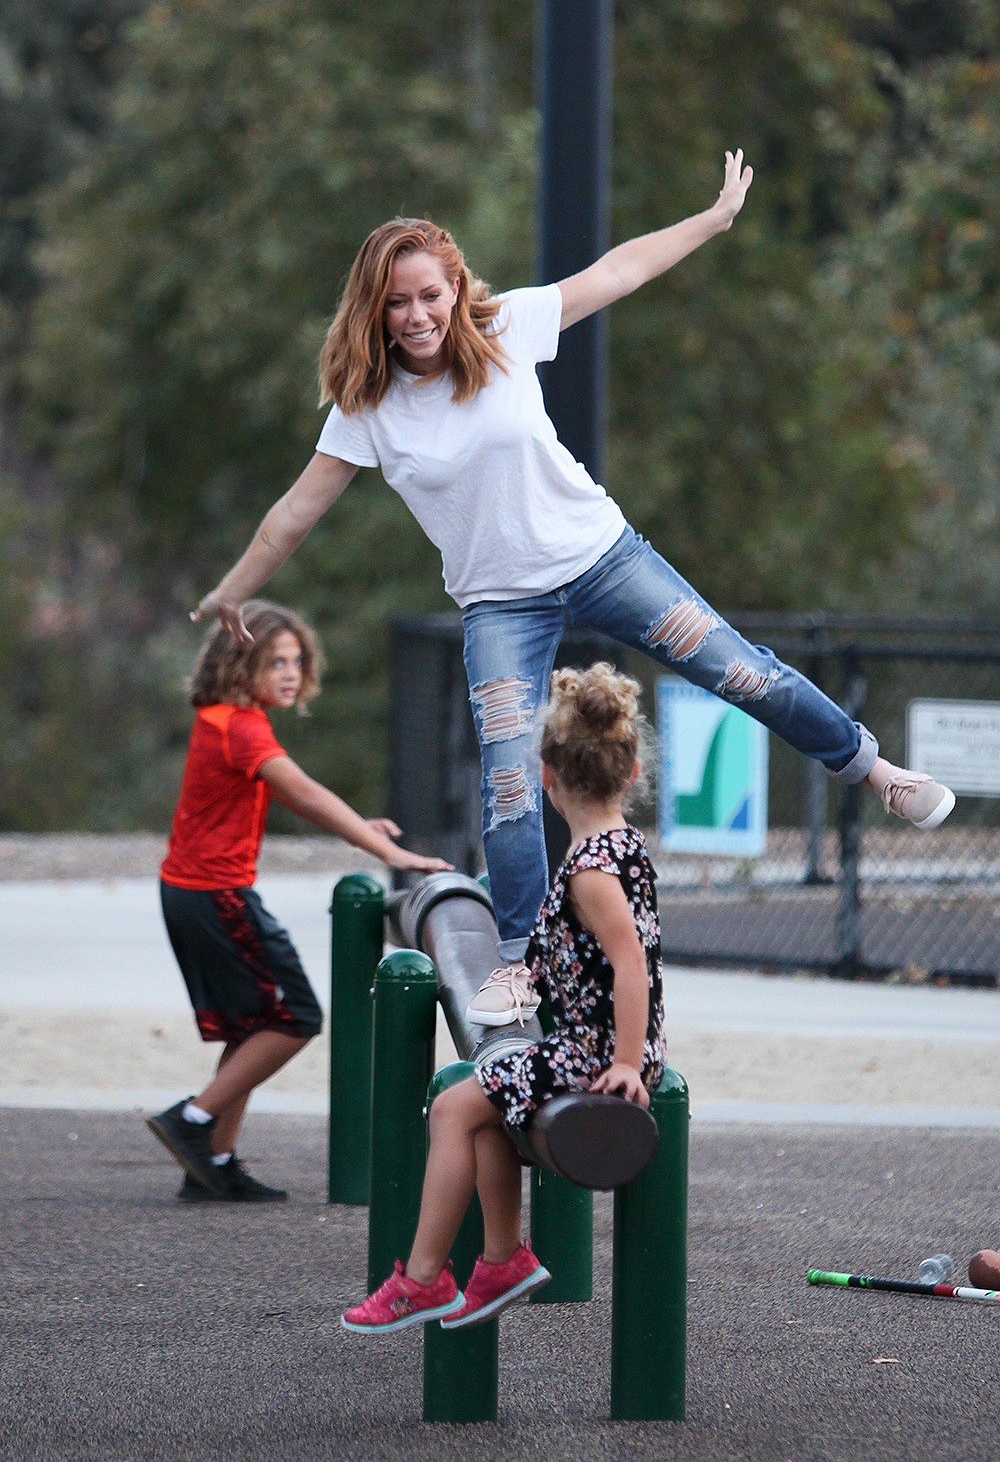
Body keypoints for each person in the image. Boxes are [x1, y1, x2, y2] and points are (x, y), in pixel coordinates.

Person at [190, 150, 955, 1028]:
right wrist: (233, 592)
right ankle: (519, 960)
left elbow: (618, 271)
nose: (415, 316)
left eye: (429, 296)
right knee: (512, 779)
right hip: (499, 605)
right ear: (375, 310)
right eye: (396, 303)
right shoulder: (367, 407)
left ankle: (876, 770)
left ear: (455, 288)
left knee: (740, 671)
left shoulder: (510, 327)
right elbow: (294, 513)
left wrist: (710, 222)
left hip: (602, 556)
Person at [341, 663, 665, 1330]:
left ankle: (423, 1279)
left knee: (452, 1106)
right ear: (632, 773)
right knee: (486, 1098)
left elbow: (630, 965)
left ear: (544, 775)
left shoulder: (592, 871)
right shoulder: (623, 847)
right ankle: (500, 1260)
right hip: (594, 1045)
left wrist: (628, 1063)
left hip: (596, 1055)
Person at [147, 600, 450, 1202]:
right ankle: (193, 1121)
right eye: (274, 661)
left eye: (296, 660)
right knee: (296, 1017)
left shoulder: (224, 720)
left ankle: (212, 1163)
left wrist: (361, 824)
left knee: (254, 1023)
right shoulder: (241, 726)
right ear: (239, 664)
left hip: (191, 891)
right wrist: (386, 853)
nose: (290, 672)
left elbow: (288, 791)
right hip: (216, 895)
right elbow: (305, 794)